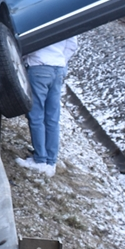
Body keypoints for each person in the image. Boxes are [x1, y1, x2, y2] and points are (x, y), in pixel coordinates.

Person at [16, 36, 78, 177]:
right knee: (52, 117)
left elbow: (28, 42)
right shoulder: (63, 21)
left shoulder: (36, 20)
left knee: (36, 116)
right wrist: (60, 60)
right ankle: (51, 161)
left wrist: (26, 58)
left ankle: (40, 160)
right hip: (58, 69)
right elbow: (72, 44)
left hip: (39, 67)